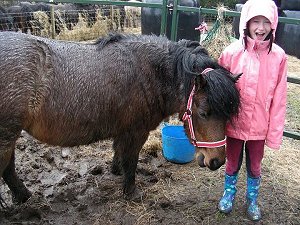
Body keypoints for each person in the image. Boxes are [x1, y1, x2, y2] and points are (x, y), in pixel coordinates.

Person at [217, 0, 287, 221]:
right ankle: (228, 193)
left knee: (255, 164)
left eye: (266, 22)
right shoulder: (230, 53)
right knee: (232, 160)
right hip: (234, 124)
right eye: (255, 21)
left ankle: (252, 198)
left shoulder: (278, 57)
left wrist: (274, 133)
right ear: (245, 23)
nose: (260, 27)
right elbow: (218, 93)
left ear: (273, 24)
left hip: (260, 125)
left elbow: (280, 99)